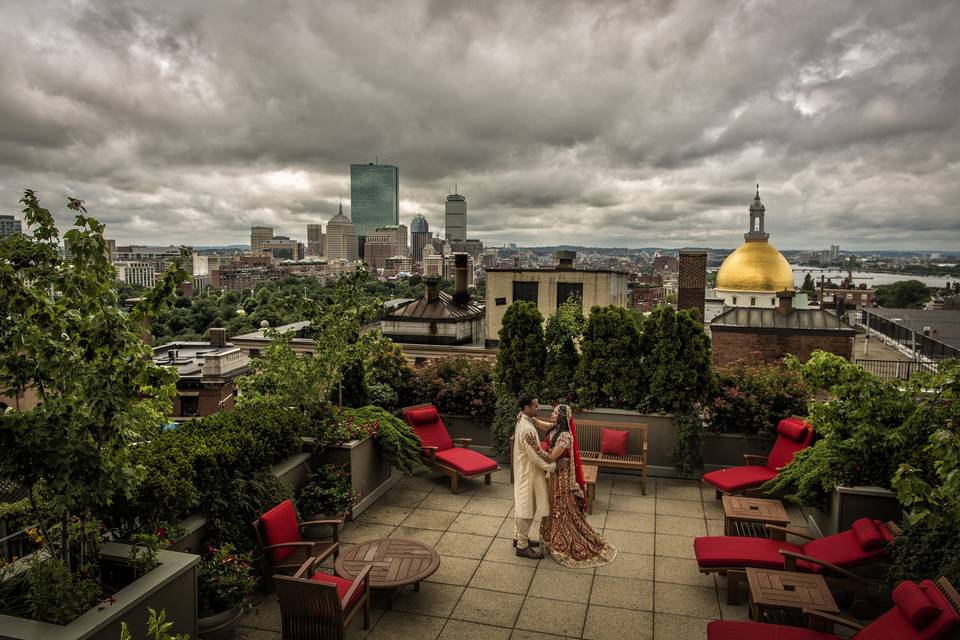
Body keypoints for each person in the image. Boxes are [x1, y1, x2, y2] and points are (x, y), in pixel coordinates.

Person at [539, 404, 617, 568]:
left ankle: (565, 541)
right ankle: (553, 537)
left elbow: (551, 457)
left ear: (560, 418)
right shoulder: (556, 429)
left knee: (561, 506)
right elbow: (544, 425)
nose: (551, 415)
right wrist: (529, 418)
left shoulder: (564, 436)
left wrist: (534, 448)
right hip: (554, 475)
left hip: (562, 477)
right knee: (553, 505)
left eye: (554, 413)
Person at [512, 393, 556, 559]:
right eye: (536, 406)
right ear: (526, 408)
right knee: (527, 507)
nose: (538, 408)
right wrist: (552, 466)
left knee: (524, 504)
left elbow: (547, 426)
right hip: (529, 472)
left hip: (525, 470)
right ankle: (522, 546)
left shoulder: (524, 420)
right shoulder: (526, 428)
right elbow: (534, 457)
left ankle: (518, 538)